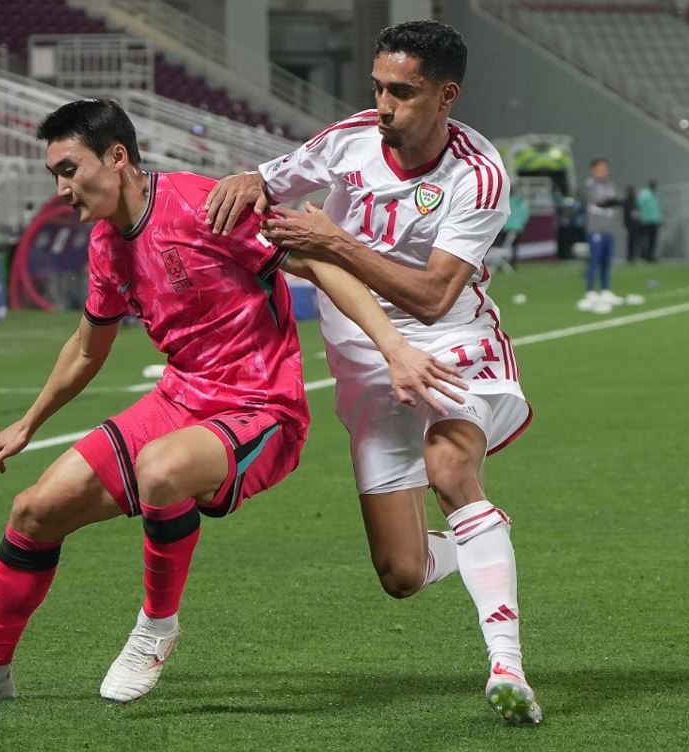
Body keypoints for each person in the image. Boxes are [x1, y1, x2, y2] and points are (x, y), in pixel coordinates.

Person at [0, 99, 463, 707]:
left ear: (117, 157)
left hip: (261, 408)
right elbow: (87, 347)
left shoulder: (203, 205)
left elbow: (322, 265)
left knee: (161, 469)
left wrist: (395, 349)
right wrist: (30, 421)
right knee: (34, 511)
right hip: (180, 398)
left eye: (69, 169)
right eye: (54, 174)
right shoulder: (105, 244)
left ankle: (156, 630)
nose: (61, 189)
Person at [205, 21, 543, 725]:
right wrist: (243, 183)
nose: (384, 105)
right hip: (363, 361)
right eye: (378, 88)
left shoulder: (477, 174)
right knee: (401, 573)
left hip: (451, 343)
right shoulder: (348, 140)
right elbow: (263, 183)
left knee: (449, 466)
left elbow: (433, 295)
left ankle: (506, 666)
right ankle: (480, 538)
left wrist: (333, 241)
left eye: (403, 92)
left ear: (446, 96)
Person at [578, 158, 624, 312]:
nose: (604, 171)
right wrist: (614, 201)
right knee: (594, 260)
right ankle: (590, 291)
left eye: (606, 168)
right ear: (593, 169)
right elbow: (600, 202)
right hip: (595, 229)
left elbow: (619, 199)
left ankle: (605, 290)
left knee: (606, 261)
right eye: (601, 168)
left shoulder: (610, 185)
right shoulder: (589, 185)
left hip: (608, 228)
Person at [635, 181, 663, 262]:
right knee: (647, 239)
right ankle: (645, 254)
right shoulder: (645, 194)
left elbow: (657, 208)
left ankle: (649, 255)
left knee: (651, 239)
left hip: (652, 220)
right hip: (646, 220)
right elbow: (639, 205)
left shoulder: (653, 194)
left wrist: (660, 219)